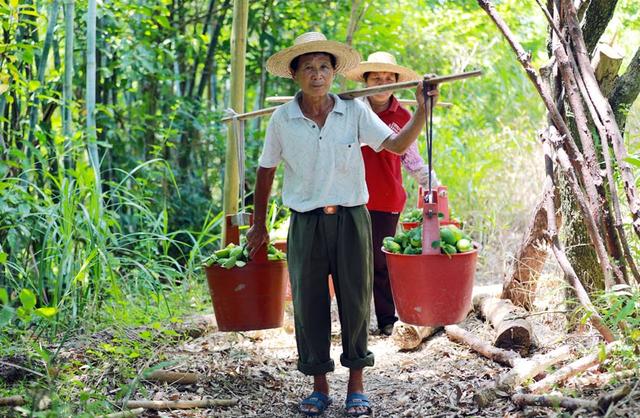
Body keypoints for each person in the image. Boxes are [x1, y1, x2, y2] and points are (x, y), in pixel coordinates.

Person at [245, 32, 438, 417]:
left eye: (324, 67)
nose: (317, 74)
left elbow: (397, 146)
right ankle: (318, 386)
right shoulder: (283, 119)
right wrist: (259, 224)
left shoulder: (353, 112)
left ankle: (356, 386)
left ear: (333, 73)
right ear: (295, 75)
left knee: (354, 299)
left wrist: (422, 110)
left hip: (352, 217)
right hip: (305, 222)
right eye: (308, 68)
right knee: (309, 302)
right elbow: (265, 171)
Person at [345, 52, 439, 337]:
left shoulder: (403, 116)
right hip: (349, 198)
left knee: (381, 262)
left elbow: (410, 159)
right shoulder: (350, 112)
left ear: (397, 83)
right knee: (351, 262)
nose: (382, 83)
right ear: (365, 81)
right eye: (376, 78)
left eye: (388, 78)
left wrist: (431, 182)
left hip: (386, 199)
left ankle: (386, 319)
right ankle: (353, 322)